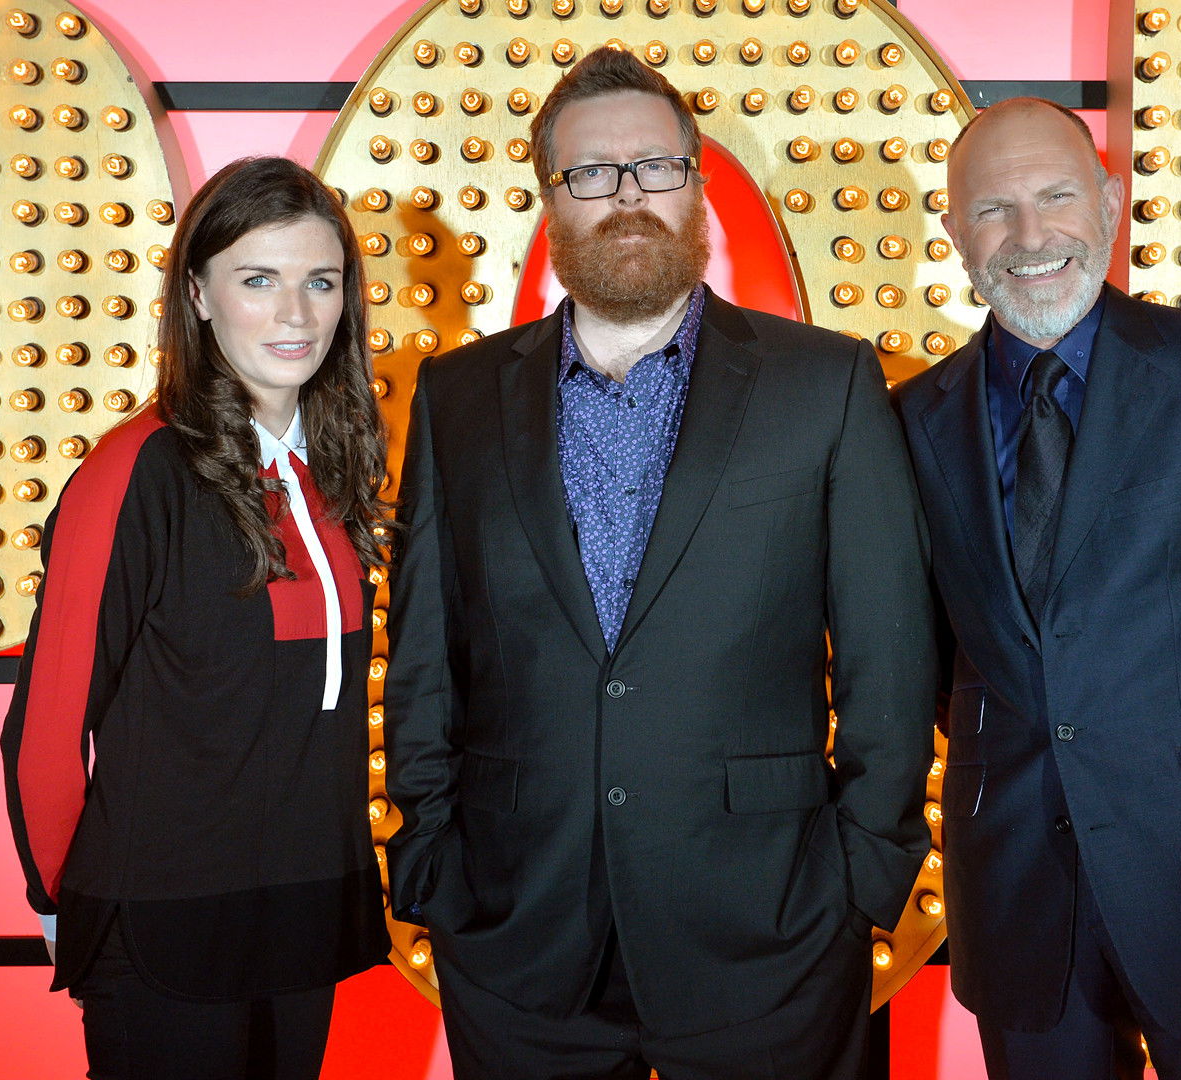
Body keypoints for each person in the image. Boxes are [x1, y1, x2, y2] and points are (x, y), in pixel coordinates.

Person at [382, 45, 937, 1080]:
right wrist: (429, 861)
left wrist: (861, 879)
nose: (627, 195)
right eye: (592, 172)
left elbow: (889, 658)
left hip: (771, 934)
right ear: (550, 199)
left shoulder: (826, 384)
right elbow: (423, 656)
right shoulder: (456, 399)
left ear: (696, 185)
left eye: (656, 167)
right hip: (515, 934)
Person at [892, 98, 1181, 1079]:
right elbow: (930, 656)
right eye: (994, 210)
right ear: (954, 231)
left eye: (1057, 197)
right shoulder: (909, 419)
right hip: (1017, 888)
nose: (1030, 236)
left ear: (1109, 203)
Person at [0, 155, 391, 1079]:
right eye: (258, 280)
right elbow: (47, 724)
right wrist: (62, 902)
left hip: (302, 914)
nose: (296, 314)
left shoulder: (337, 470)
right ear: (199, 296)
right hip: (161, 926)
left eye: (320, 281)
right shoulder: (134, 471)